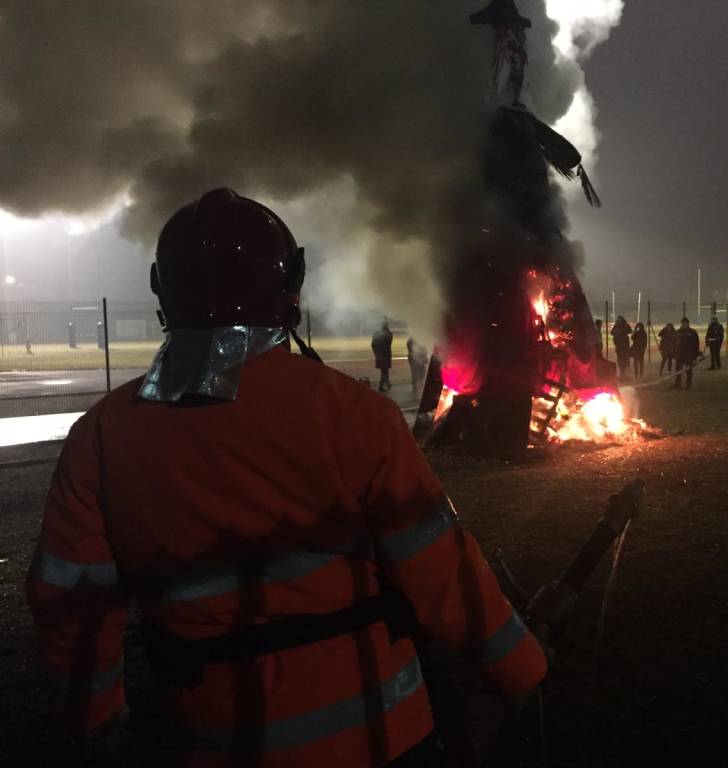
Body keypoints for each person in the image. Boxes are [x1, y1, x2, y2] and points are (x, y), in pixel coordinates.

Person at [25, 189, 547, 767]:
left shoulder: (101, 438)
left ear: (164, 291)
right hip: (380, 738)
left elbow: (71, 607)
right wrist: (518, 668)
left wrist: (98, 727)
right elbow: (441, 569)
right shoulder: (353, 416)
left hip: (212, 744)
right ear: (287, 289)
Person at [673, 317, 701, 390]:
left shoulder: (692, 332)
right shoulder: (678, 332)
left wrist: (695, 356)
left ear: (688, 323)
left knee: (689, 371)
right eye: (682, 323)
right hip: (679, 355)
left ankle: (688, 384)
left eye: (685, 323)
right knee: (678, 370)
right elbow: (674, 344)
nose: (683, 324)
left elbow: (696, 345)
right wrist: (674, 354)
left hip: (689, 355)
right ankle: (677, 383)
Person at [372, 320, 394, 392]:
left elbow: (373, 345)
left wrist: (376, 353)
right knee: (384, 371)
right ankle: (381, 386)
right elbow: (390, 339)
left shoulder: (376, 334)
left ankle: (387, 383)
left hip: (379, 355)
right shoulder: (388, 334)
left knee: (384, 371)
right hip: (385, 355)